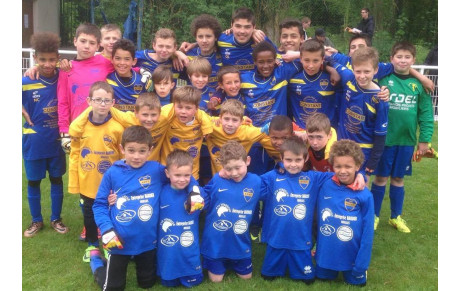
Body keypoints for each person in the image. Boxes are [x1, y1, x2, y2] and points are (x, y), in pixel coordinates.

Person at [90, 126, 164, 290]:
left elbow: (180, 176)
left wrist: (194, 191)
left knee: (147, 284)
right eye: (131, 150)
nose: (136, 156)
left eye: (142, 151)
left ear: (150, 150)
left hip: (148, 241)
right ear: (122, 149)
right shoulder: (112, 173)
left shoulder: (157, 170)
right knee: (113, 288)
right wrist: (107, 230)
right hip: (119, 241)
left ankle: (137, 260)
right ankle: (96, 261)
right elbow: (99, 205)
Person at [259, 136, 341, 284]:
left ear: (305, 158)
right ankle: (275, 265)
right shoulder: (272, 177)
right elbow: (250, 183)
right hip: (276, 237)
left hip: (301, 239)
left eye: (298, 160)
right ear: (281, 159)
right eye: (288, 160)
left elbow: (339, 175)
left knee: (308, 279)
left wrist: (359, 175)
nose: (293, 164)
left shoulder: (313, 178)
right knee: (267, 276)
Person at [371, 41, 434, 233]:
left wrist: (424, 139)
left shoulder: (418, 85)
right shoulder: (383, 79)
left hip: (406, 141)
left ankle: (395, 217)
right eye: (399, 56)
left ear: (414, 60)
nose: (403, 60)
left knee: (398, 178)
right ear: (391, 59)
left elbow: (425, 113)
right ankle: (373, 216)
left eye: (407, 57)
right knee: (380, 178)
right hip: (385, 140)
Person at [68, 81, 124, 262]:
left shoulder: (117, 128)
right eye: (98, 100)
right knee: (89, 216)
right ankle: (92, 245)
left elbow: (123, 155)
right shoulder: (81, 127)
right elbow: (75, 151)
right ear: (89, 101)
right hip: (88, 182)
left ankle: (109, 245)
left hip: (109, 184)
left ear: (113, 103)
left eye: (107, 101)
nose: (102, 104)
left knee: (110, 214)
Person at [22, 32, 68, 237]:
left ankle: (56, 219)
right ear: (35, 59)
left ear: (58, 58)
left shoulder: (64, 76)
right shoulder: (26, 80)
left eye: (52, 59)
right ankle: (36, 221)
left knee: (56, 179)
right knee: (34, 181)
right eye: (42, 60)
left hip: (57, 140)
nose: (48, 64)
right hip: (34, 140)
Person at [201, 140, 265, 282]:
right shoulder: (217, 179)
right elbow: (203, 196)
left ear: (247, 161)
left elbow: (275, 183)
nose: (234, 173)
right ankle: (217, 259)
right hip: (215, 241)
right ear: (222, 166)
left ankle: (234, 259)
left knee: (246, 278)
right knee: (216, 280)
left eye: (238, 167)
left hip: (239, 241)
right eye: (229, 169)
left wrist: (280, 167)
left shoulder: (256, 181)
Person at [315, 139, 374, 287]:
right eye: (338, 166)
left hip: (352, 255)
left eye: (348, 166)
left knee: (356, 283)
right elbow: (299, 175)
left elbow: (368, 232)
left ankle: (357, 267)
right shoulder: (324, 183)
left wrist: (362, 263)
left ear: (358, 166)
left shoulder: (364, 195)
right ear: (332, 165)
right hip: (326, 254)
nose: (342, 171)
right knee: (322, 279)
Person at [334, 47, 389, 181]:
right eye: (358, 71)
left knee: (360, 189)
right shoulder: (348, 79)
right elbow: (329, 60)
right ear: (353, 69)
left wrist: (373, 162)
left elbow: (380, 134)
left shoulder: (380, 98)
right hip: (342, 146)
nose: (362, 75)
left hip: (363, 152)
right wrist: (331, 70)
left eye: (367, 71)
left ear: (376, 71)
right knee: (340, 187)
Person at [157, 149, 204, 288]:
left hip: (189, 248)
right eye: (177, 175)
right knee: (168, 284)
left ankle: (191, 270)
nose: (182, 179)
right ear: (167, 173)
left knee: (195, 281)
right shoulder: (160, 192)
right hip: (168, 249)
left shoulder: (197, 193)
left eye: (186, 175)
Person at [206, 99, 277, 175]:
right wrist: (215, 119)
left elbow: (266, 131)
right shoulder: (212, 127)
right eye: (226, 119)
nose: (230, 124)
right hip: (220, 179)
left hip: (238, 176)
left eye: (235, 120)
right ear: (220, 118)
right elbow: (199, 114)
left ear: (241, 121)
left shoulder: (248, 132)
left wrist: (279, 159)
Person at [159, 85, 214, 180]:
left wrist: (242, 120)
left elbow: (221, 121)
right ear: (173, 105)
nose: (183, 111)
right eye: (179, 107)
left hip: (191, 173)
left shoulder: (202, 120)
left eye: (188, 108)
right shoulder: (168, 116)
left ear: (196, 108)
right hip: (168, 171)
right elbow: (151, 116)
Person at [287, 39, 337, 129]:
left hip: (323, 134)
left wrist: (332, 70)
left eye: (315, 61)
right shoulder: (292, 78)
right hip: (300, 132)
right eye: (307, 60)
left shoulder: (331, 79)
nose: (311, 65)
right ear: (300, 59)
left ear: (322, 60)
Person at [217, 7, 277, 72]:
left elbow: (279, 56)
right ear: (231, 25)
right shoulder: (222, 39)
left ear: (254, 27)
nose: (242, 31)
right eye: (238, 26)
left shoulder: (261, 39)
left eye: (247, 27)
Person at [106, 39, 146, 112]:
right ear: (112, 59)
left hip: (135, 122)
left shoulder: (143, 82)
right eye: (118, 58)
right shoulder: (107, 80)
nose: (122, 63)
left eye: (127, 59)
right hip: (114, 122)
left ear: (134, 61)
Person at [184, 14, 223, 89]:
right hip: (193, 98)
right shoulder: (187, 55)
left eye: (208, 36)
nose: (204, 40)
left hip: (218, 99)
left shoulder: (223, 54)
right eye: (200, 36)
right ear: (195, 37)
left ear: (215, 37)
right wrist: (177, 53)